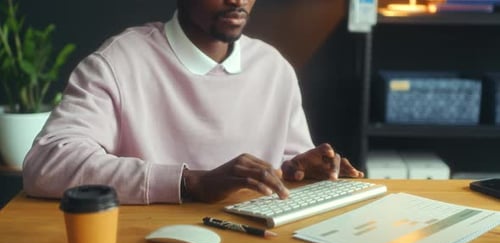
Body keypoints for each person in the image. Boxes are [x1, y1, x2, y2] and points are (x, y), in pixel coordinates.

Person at [22, 0, 364, 205]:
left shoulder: (274, 68)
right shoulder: (119, 62)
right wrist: (190, 182)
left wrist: (302, 169)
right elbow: (47, 165)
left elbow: (287, 165)